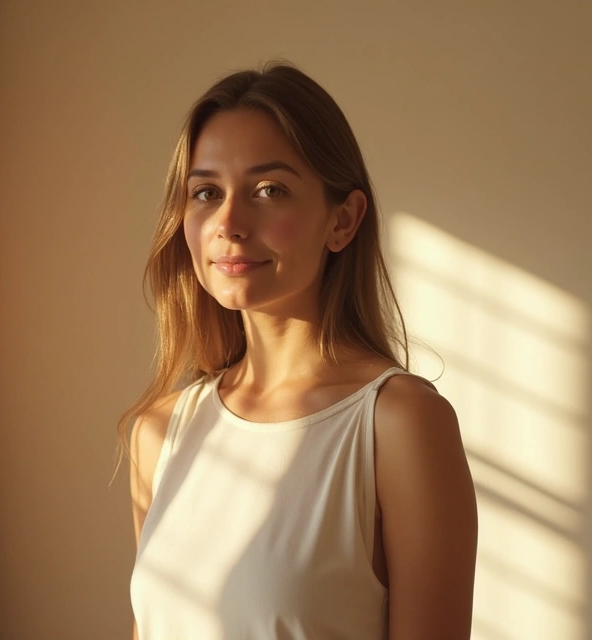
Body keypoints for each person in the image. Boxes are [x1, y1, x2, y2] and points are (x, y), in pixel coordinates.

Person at [122, 61, 478, 640]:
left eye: (270, 190)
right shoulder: (160, 433)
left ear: (343, 220)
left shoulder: (400, 424)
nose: (229, 222)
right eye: (206, 192)